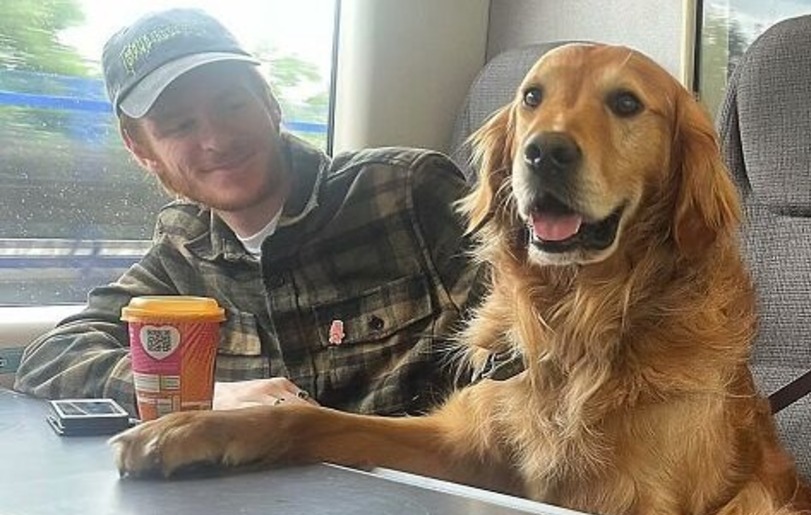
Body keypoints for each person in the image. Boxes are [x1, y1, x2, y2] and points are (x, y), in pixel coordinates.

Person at [15, 8, 481, 417]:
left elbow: (537, 336)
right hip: (247, 509)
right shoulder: (183, 253)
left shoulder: (406, 193)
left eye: (232, 104)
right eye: (179, 125)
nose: (216, 139)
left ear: (270, 103)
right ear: (140, 149)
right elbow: (51, 357)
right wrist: (203, 397)